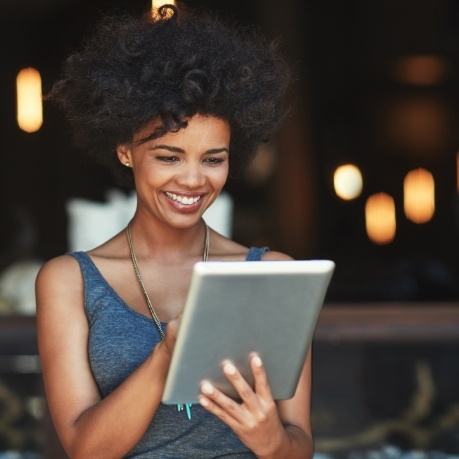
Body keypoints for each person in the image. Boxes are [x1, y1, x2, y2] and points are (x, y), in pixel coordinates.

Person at [35, 3, 314, 458]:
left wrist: (272, 442)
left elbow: (299, 445)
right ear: (126, 149)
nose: (192, 180)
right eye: (169, 156)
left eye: (213, 159)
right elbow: (86, 450)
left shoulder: (269, 273)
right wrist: (167, 356)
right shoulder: (70, 281)